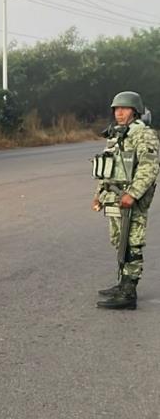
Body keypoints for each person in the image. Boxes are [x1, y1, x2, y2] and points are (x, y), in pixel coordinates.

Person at [92, 91, 159, 310]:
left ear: (135, 111)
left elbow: (149, 168)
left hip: (131, 200)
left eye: (124, 109)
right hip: (114, 198)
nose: (119, 113)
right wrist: (99, 195)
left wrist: (134, 193)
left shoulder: (144, 135)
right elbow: (107, 168)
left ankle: (129, 292)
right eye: (116, 109)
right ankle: (122, 283)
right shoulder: (117, 135)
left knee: (132, 243)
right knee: (119, 241)